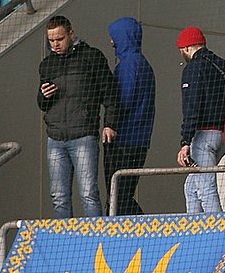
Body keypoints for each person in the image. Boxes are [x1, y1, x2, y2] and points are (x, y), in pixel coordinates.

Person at [37, 15, 120, 218]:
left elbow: (110, 93)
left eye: (59, 39)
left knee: (88, 194)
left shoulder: (92, 57)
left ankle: (95, 236)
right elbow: (42, 104)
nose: (55, 44)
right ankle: (66, 238)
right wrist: (43, 95)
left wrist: (109, 124)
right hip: (55, 137)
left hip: (83, 134)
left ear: (71, 34)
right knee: (59, 196)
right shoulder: (47, 64)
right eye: (51, 40)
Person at [176, 26, 225, 213]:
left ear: (186, 48)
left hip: (203, 137)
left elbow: (192, 107)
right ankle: (194, 228)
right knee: (191, 188)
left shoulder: (193, 69)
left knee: (206, 188)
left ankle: (217, 228)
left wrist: (185, 141)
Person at [104, 17, 155, 215]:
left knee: (117, 198)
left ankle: (144, 229)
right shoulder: (144, 65)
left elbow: (122, 102)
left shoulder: (126, 67)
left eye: (114, 37)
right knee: (124, 195)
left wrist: (110, 120)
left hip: (123, 140)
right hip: (140, 140)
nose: (111, 42)